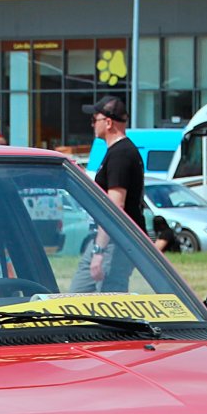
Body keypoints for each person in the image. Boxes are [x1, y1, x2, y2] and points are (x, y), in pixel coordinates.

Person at [72, 95, 144, 292]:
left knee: (109, 296)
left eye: (94, 120)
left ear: (109, 122)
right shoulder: (119, 152)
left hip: (115, 242)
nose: (92, 124)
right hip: (112, 239)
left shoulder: (121, 154)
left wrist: (99, 250)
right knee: (80, 296)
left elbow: (115, 207)